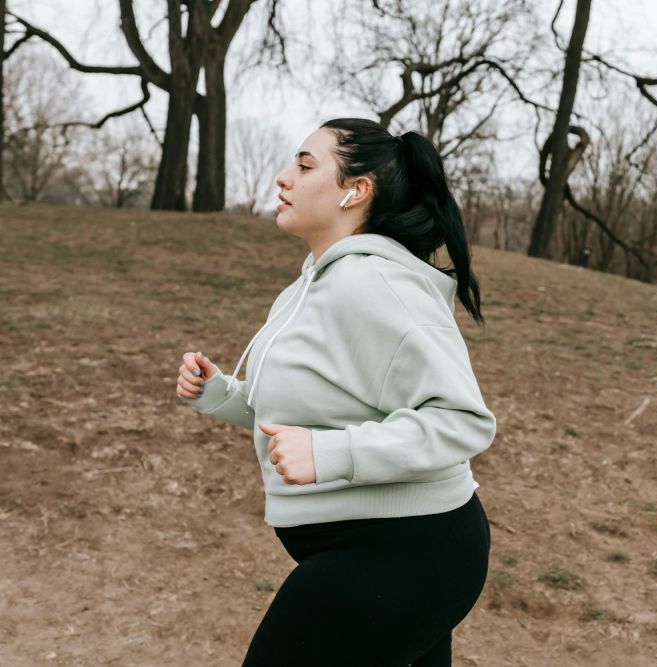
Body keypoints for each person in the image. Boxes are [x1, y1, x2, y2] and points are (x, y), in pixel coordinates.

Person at [174, 118, 496, 666]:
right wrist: (221, 393)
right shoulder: (315, 281)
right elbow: (310, 407)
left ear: (356, 189)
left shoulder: (376, 285)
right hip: (379, 551)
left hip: (406, 551)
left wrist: (330, 454)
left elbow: (462, 420)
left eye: (304, 166)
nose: (283, 179)